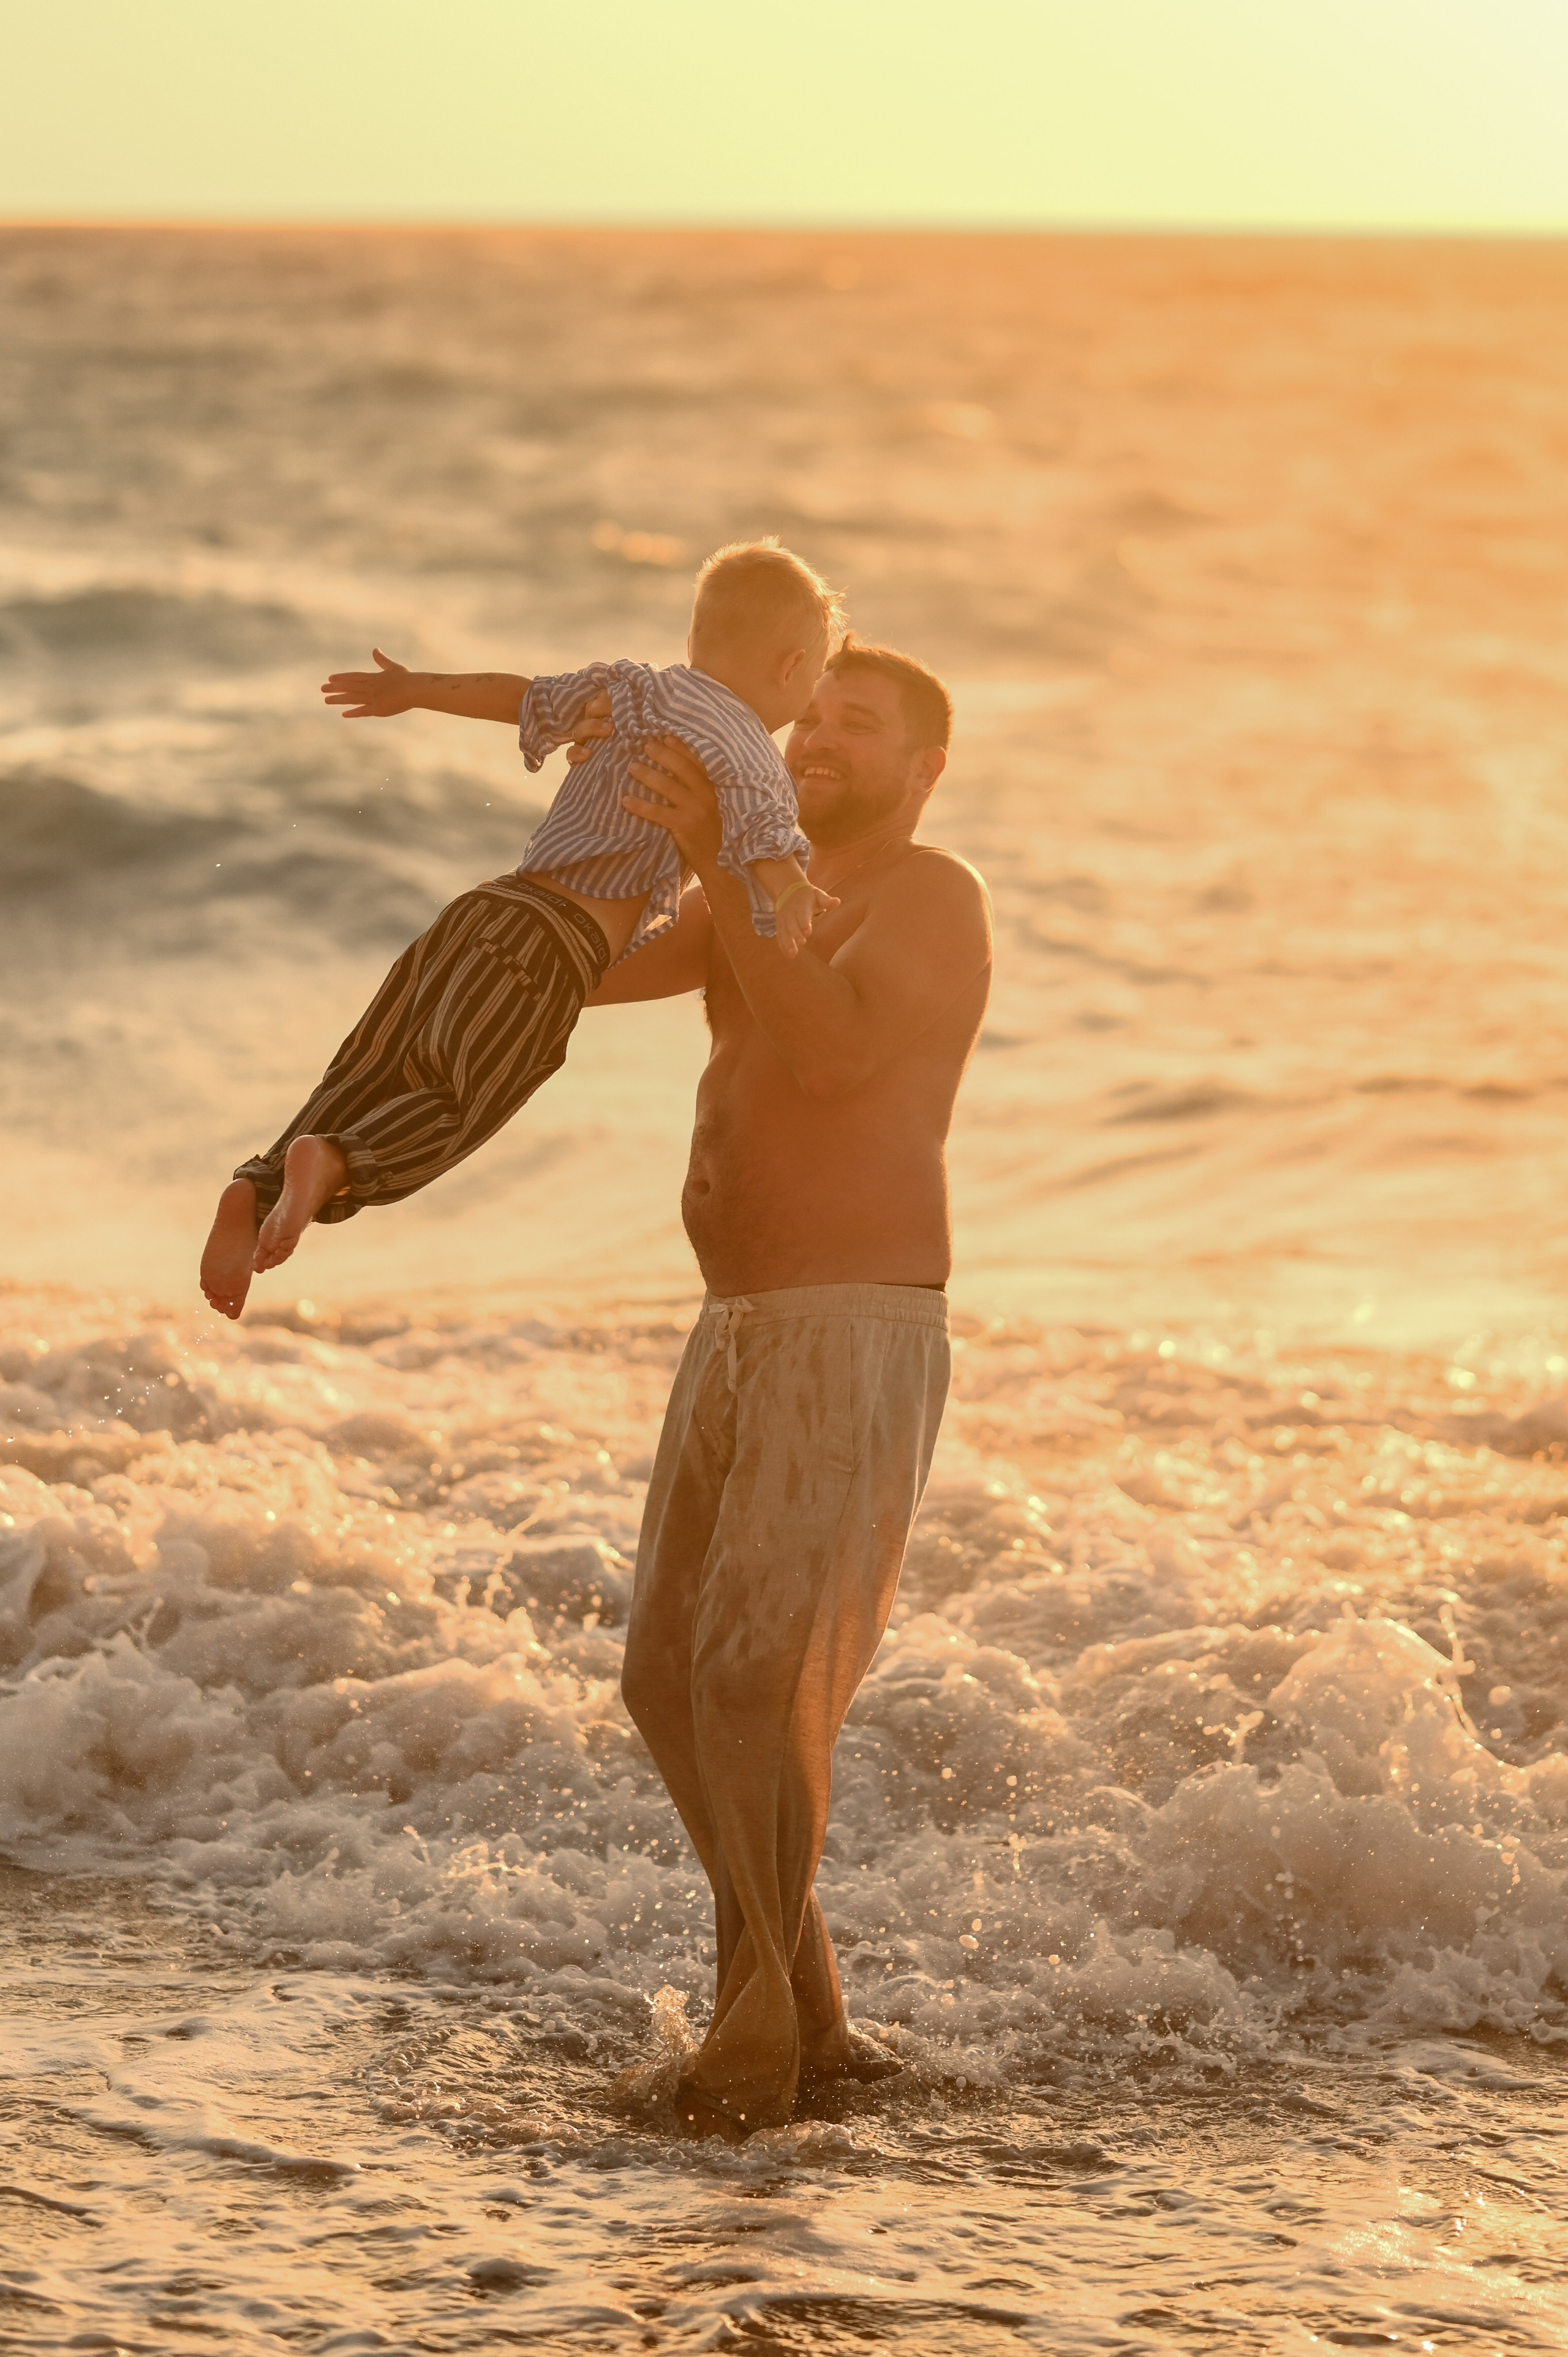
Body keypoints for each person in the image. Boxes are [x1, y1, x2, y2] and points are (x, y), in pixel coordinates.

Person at [579, 636, 992, 2133]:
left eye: (854, 722)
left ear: (921, 764)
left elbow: (825, 1056)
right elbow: (590, 968)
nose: (814, 737)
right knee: (665, 1678)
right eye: (804, 715)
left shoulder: (928, 895)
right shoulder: (749, 891)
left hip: (849, 1317)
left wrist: (719, 859)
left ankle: (750, 2046)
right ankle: (814, 2020)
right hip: (736, 1318)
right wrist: (599, 847)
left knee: (753, 1677)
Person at [198, 539, 843, 1321]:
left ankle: (259, 1181)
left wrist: (414, 689)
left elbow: (521, 694)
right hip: (552, 949)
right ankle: (331, 1161)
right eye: (812, 684)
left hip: (481, 910)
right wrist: (797, 892)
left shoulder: (631, 688)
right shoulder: (748, 751)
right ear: (790, 667)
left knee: (370, 1063)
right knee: (457, 1099)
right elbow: (766, 843)